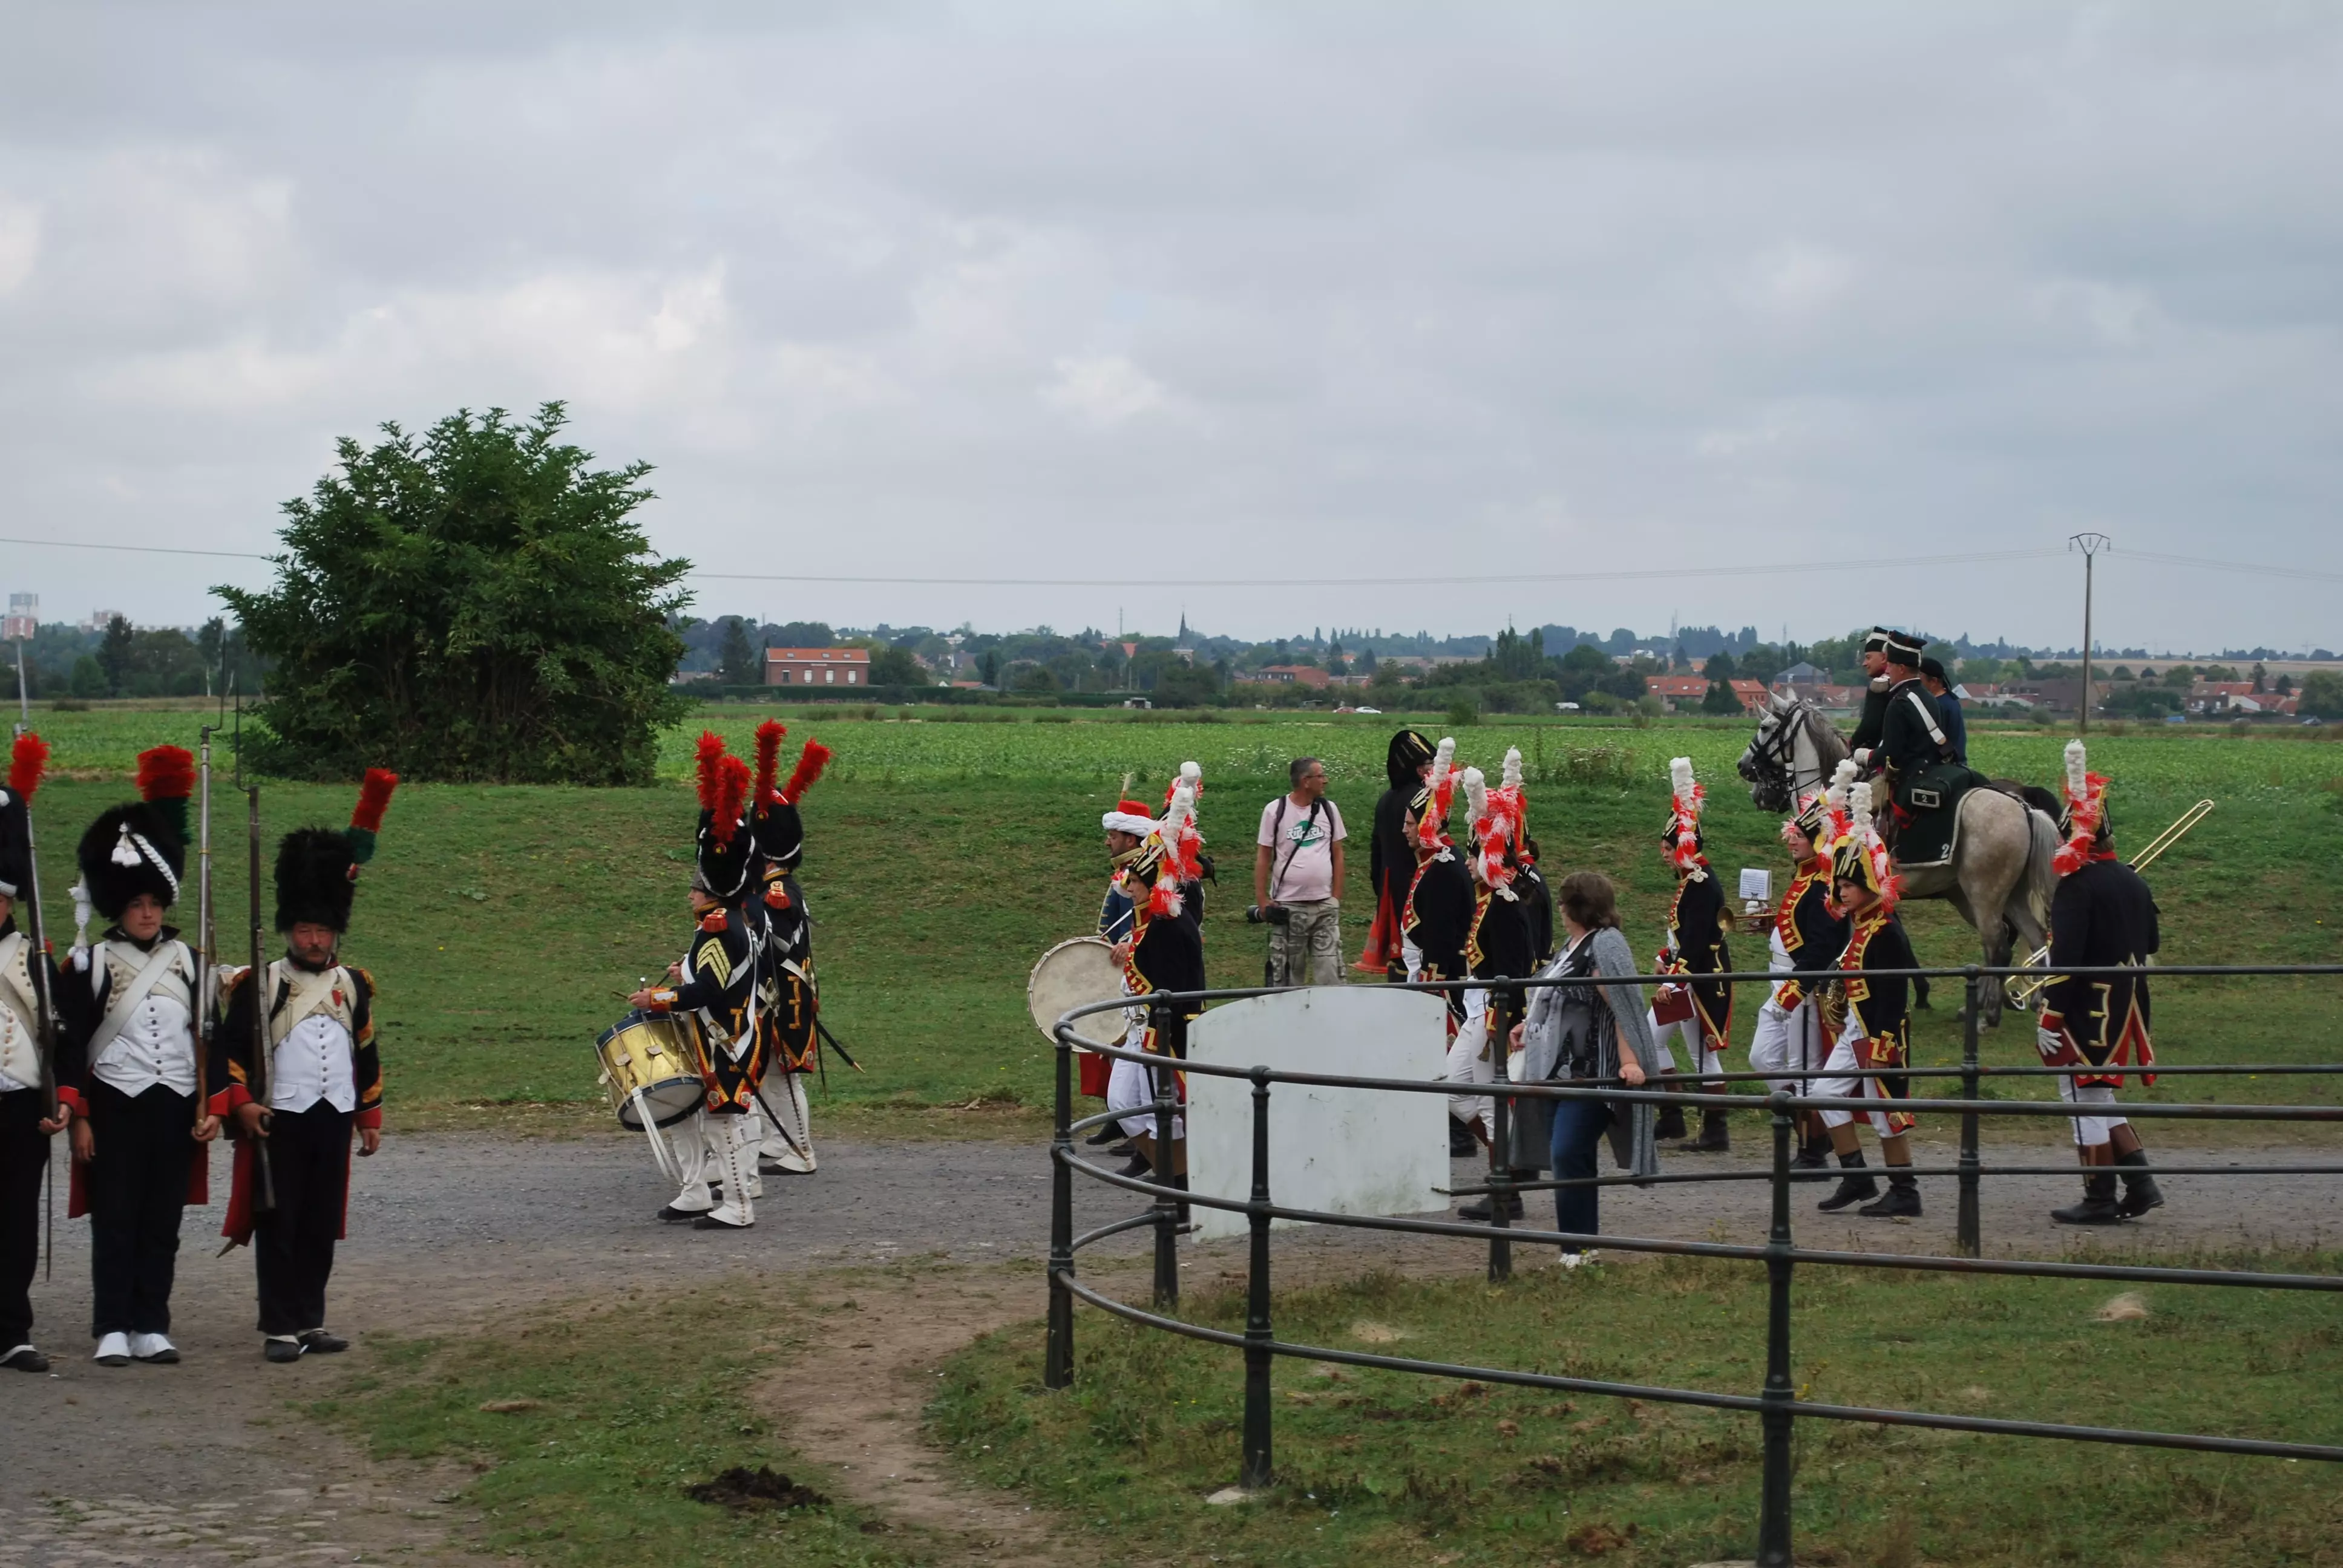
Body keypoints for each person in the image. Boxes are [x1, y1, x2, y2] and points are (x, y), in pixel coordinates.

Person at [215, 771, 397, 1361]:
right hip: (281, 1115)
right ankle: (280, 1324)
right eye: (304, 929)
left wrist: (368, 1114)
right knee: (280, 1220)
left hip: (332, 1114)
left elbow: (364, 1052)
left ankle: (311, 1317)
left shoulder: (352, 984)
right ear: (290, 929)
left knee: (320, 1222)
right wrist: (241, 1102)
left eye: (322, 929)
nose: (314, 939)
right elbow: (232, 1050)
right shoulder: (261, 983)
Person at [63, 746, 217, 1368]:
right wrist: (79, 1115)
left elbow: (213, 1036)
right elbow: (70, 1042)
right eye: (135, 904)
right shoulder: (90, 964)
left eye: (154, 902)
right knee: (116, 1220)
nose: (147, 912)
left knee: (161, 1222)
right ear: (117, 907)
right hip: (116, 1108)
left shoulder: (191, 963)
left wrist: (213, 1107)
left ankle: (153, 1322)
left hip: (176, 1105)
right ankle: (111, 1324)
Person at [637, 734, 769, 1230]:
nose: (689, 892)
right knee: (691, 1116)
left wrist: (658, 998)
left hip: (725, 1042)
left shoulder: (720, 927)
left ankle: (738, 1205)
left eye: (695, 886)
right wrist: (683, 972)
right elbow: (713, 974)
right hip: (720, 1037)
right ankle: (696, 1192)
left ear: (708, 889)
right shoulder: (723, 922)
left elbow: (708, 993)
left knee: (723, 1123)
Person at [2036, 742, 2165, 1226]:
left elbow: (2066, 959)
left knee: (2082, 1097)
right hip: (2128, 1003)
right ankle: (2141, 1183)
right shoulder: (2133, 880)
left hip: (2090, 1006)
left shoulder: (2077, 887)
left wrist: (2050, 1014)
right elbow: (2150, 939)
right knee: (2100, 1095)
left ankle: (2098, 1198)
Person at [1513, 871, 1659, 1266]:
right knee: (1575, 1158)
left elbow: (1622, 1004)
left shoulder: (1605, 944)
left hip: (1591, 1071)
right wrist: (1528, 1025)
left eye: (1564, 901)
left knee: (1567, 1152)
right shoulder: (1571, 945)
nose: (1558, 908)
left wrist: (1630, 1061)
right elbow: (1554, 994)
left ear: (1579, 905)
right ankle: (1583, 1247)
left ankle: (1575, 1249)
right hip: (1554, 1071)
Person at [1809, 783, 1922, 1218]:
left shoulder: (1886, 930)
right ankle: (1857, 1177)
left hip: (1879, 1032)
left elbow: (1895, 992)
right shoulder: (1861, 924)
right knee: (1825, 1093)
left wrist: (1883, 1044)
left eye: (1850, 885)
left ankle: (1906, 1191)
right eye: (1838, 885)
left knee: (1884, 1111)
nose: (1841, 893)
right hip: (1856, 1028)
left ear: (1870, 885)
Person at [2, 736, 77, 1374]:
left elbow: (60, 1037)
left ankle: (12, 1329)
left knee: (16, 1222)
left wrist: (58, 1102)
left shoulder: (33, 957)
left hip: (21, 1105)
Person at [1105, 768, 1205, 1214]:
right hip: (1142, 1031)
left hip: (1162, 1036)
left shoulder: (1168, 926)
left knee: (1166, 1113)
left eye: (1136, 883)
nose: (1129, 888)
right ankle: (1174, 1182)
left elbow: (1168, 990)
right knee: (1123, 1104)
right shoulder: (1153, 922)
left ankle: (1178, 1191)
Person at [1746, 788, 1847, 1171]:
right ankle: (1815, 1131)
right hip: (1780, 979)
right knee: (1761, 1057)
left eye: (1800, 836)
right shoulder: (1806, 877)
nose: (1791, 839)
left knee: (1802, 1065)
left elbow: (1821, 948)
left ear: (1817, 841)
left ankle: (1811, 1151)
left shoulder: (1822, 885)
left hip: (1799, 987)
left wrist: (1796, 990)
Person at [746, 722, 830, 1178]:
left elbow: (772, 948)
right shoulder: (774, 887)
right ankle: (775, 1143)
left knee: (781, 1076)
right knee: (768, 1076)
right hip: (775, 995)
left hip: (783, 998)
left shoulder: (779, 894)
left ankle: (799, 1150)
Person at [1460, 753, 1535, 1221]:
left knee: (1491, 1102)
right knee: (1453, 1089)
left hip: (1493, 1014)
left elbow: (1513, 971)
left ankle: (1505, 1189)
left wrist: (1497, 1022)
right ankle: (1509, 1168)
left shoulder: (1505, 905)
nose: (1469, 862)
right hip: (1478, 1009)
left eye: (1474, 854)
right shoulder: (1491, 900)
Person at [1649, 757, 1734, 1151]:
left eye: (1668, 847)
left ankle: (1716, 1129)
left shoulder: (1700, 884)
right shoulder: (1691, 879)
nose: (1663, 854)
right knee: (1652, 1040)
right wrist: (1667, 954)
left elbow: (1698, 943)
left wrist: (1671, 978)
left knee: (1701, 1054)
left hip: (1698, 980)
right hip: (1685, 973)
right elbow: (1684, 935)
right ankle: (1672, 1117)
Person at [1404, 742, 1483, 1155]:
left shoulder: (1445, 867)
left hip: (1443, 977)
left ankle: (1460, 1132)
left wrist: (1432, 984)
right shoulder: (1437, 862)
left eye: (1411, 823)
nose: (1405, 830)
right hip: (1428, 973)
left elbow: (1443, 933)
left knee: (1446, 1056)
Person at [1085, 794, 1156, 1148]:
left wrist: (1131, 944)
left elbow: (1160, 920)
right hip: (1122, 971)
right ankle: (1128, 1128)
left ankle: (1145, 1142)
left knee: (1148, 1077)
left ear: (1131, 838)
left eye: (1113, 835)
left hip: (1142, 979)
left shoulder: (1151, 875)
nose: (1107, 841)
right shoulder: (1127, 873)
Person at [1253, 757, 1346, 986]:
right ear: (1306, 781)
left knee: (1331, 974)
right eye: (1321, 776)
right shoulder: (1276, 811)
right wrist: (1263, 901)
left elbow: (1338, 852)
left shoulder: (1329, 810)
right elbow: (1264, 856)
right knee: (1287, 979)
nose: (1325, 780)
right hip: (1288, 908)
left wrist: (1335, 897)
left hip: (1324, 906)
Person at [1364, 730, 1435, 979]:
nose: (1434, 769)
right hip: (1418, 892)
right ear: (1418, 770)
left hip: (1390, 891)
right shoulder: (1424, 799)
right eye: (1430, 764)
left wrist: (1382, 890)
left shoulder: (1385, 799)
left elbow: (1376, 851)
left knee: (1399, 961)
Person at [1846, 628, 1895, 761]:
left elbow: (1870, 726)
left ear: (1884, 657)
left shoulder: (1879, 685)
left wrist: (1853, 742)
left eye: (1868, 657)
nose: (1864, 663)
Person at [1919, 657, 1968, 765]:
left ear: (1934, 681)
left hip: (1949, 766)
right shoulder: (1947, 701)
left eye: (1920, 676)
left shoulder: (1943, 705)